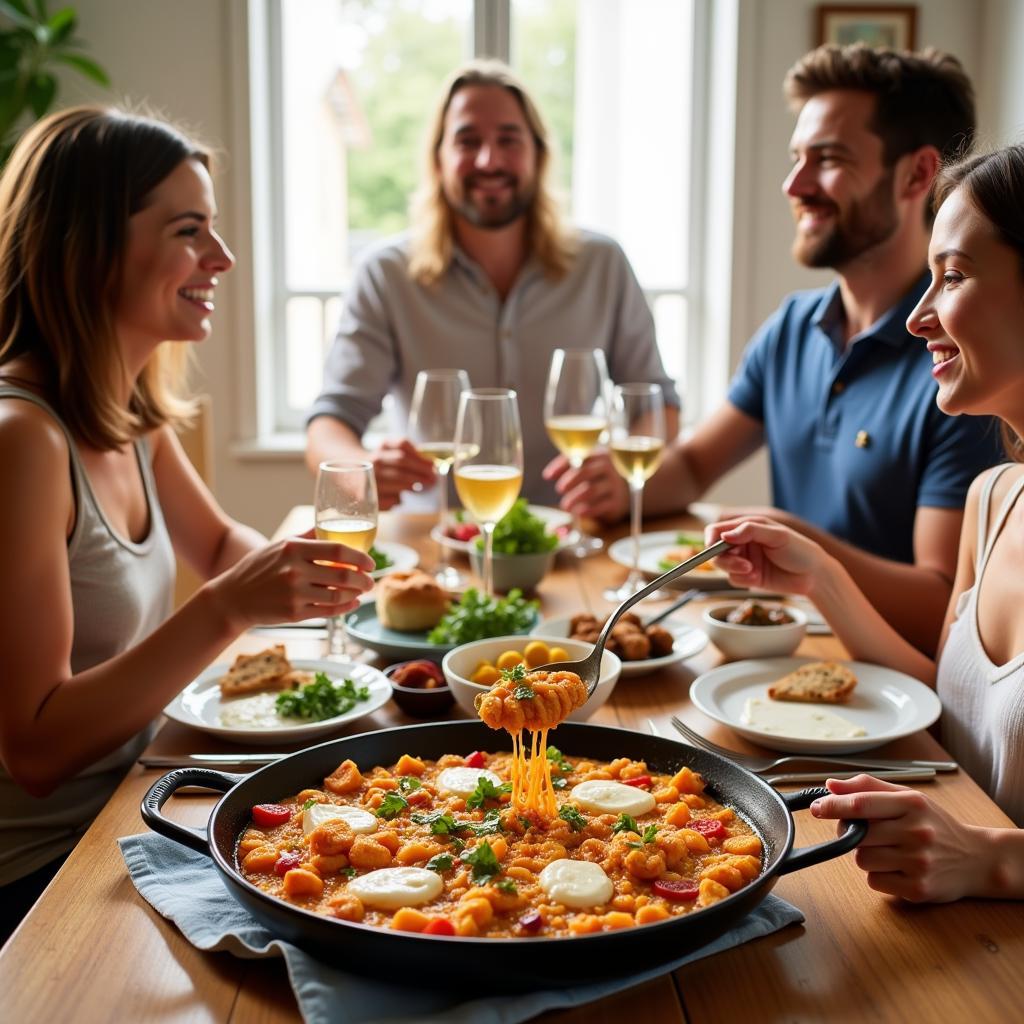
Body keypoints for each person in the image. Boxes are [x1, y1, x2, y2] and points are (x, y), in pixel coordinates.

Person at [0, 107, 375, 942]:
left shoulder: (125, 407)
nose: (223, 258)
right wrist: (230, 607)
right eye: (189, 230)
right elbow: (34, 751)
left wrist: (301, 577)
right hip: (45, 877)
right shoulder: (22, 440)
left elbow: (217, 547)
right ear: (91, 247)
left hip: (134, 802)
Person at [548, 44, 1003, 655]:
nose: (795, 184)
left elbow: (947, 609)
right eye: (796, 159)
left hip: (886, 678)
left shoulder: (961, 360)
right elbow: (689, 469)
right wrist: (620, 483)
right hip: (780, 653)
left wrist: (801, 544)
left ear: (917, 174)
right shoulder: (793, 327)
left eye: (829, 159)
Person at [708, 144, 1024, 902]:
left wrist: (990, 858)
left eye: (951, 276)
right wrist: (821, 580)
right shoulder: (993, 498)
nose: (918, 317)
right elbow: (958, 718)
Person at [305, 59, 679, 509]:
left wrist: (623, 477)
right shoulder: (385, 274)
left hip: (571, 539)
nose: (489, 159)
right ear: (437, 159)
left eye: (508, 139)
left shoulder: (604, 264)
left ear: (538, 154)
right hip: (435, 542)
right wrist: (359, 470)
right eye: (467, 141)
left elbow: (658, 407)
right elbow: (330, 423)